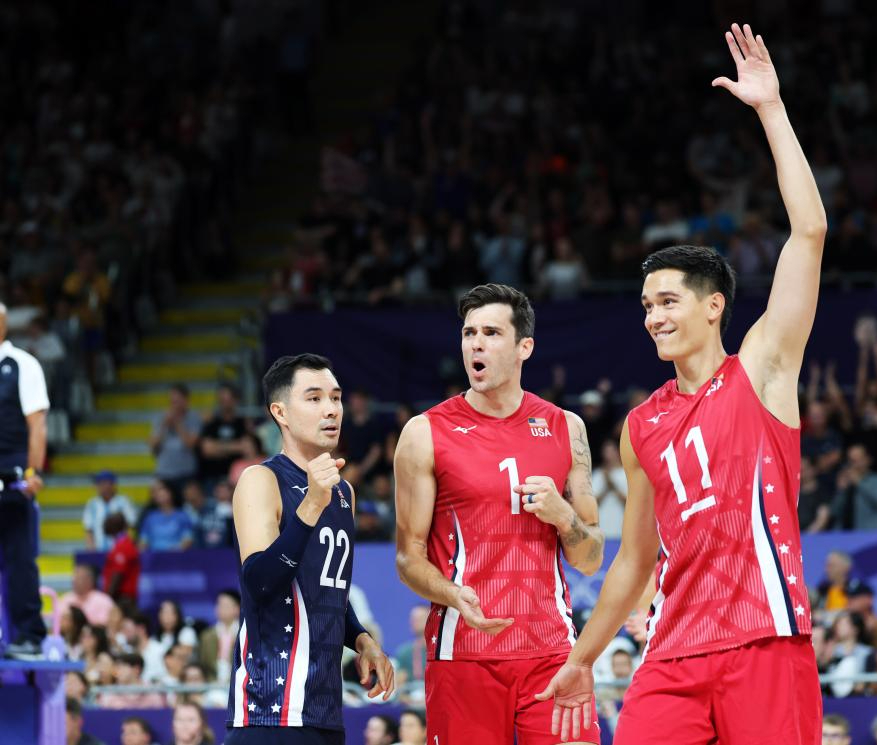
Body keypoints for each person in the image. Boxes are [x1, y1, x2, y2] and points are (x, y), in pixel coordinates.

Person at [536, 25, 826, 743]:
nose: (654, 317)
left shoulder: (761, 368)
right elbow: (635, 560)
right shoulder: (642, 425)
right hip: (673, 650)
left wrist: (771, 109)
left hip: (764, 635)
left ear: (713, 305)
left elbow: (809, 231)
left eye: (668, 301)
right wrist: (582, 658)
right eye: (646, 306)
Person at [394, 283, 605, 744]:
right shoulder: (425, 433)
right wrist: (452, 594)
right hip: (464, 653)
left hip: (552, 654)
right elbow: (409, 558)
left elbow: (591, 558)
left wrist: (563, 517)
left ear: (524, 347)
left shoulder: (566, 427)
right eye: (469, 333)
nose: (476, 344)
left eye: (491, 333)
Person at [225, 353, 394, 743]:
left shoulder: (344, 492)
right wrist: (311, 505)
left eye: (335, 398)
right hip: (269, 711)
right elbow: (260, 584)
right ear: (280, 412)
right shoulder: (260, 479)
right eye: (314, 398)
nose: (331, 409)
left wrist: (361, 639)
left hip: (326, 710)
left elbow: (326, 591)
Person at [0, 302, 49, 659]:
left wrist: (33, 472)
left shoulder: (21, 364)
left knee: (19, 559)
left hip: (12, 476)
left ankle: (30, 635)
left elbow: (37, 424)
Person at [148, 383, 202, 496]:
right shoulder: (161, 418)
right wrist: (163, 426)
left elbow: (191, 444)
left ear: (185, 400)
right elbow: (153, 445)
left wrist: (178, 424)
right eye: (172, 401)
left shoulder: (194, 418)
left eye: (177, 401)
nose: (174, 404)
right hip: (164, 473)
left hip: (186, 473)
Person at [199, 383, 253, 486]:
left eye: (226, 400)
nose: (223, 403)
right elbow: (207, 449)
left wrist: (218, 447)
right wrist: (235, 446)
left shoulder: (243, 423)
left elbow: (246, 448)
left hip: (237, 477)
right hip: (213, 476)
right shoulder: (211, 423)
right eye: (221, 400)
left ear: (235, 400)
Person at [83, 470, 137, 551]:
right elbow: (88, 530)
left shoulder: (124, 502)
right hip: (99, 550)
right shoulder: (92, 504)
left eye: (106, 483)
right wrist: (91, 550)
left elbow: (131, 525)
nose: (104, 487)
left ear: (113, 485)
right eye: (100, 484)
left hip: (120, 550)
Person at [137, 479, 194, 551]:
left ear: (170, 491)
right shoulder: (149, 518)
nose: (158, 493)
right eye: (154, 491)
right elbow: (143, 541)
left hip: (176, 555)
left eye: (161, 489)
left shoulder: (182, 516)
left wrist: (173, 551)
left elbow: (188, 540)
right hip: (155, 556)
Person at [198, 589, 241, 684]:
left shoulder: (244, 634)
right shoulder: (207, 635)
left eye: (225, 605)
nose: (220, 608)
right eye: (218, 605)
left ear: (237, 609)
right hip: (211, 685)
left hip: (238, 684)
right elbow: (203, 664)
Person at [101, 513, 140, 604]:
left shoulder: (123, 546)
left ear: (116, 526)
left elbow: (118, 575)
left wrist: (107, 599)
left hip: (123, 600)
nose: (104, 524)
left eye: (108, 522)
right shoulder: (120, 544)